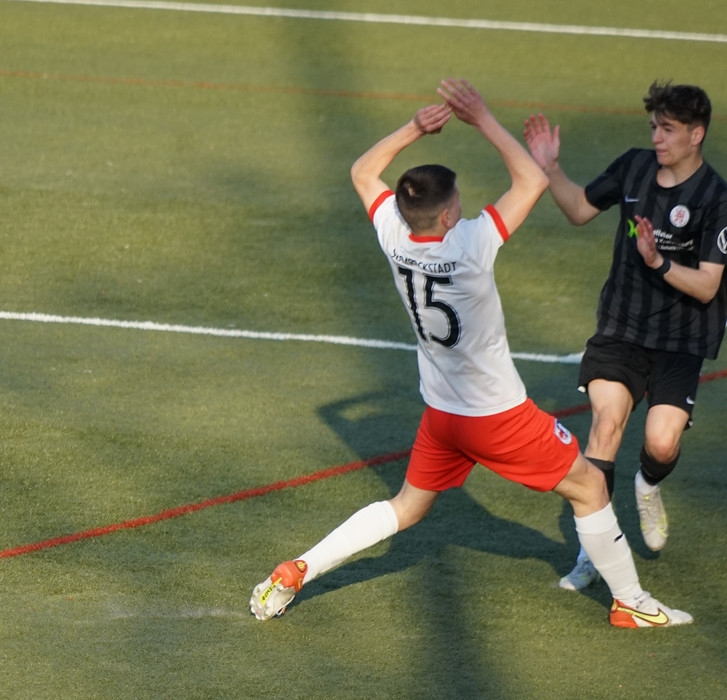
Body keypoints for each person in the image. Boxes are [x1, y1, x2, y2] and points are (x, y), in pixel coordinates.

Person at [249, 78, 692, 628]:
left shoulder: (394, 235)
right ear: (445, 217)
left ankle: (299, 568)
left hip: (443, 415)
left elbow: (363, 171)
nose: (463, 206)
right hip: (497, 416)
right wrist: (481, 117)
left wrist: (414, 127)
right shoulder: (471, 243)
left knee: (406, 507)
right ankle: (632, 604)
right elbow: (531, 179)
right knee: (590, 485)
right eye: (457, 201)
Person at [522, 80, 727, 590]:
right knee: (606, 426)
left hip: (681, 339)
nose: (657, 138)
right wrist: (550, 169)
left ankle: (647, 485)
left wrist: (658, 261)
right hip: (622, 328)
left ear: (696, 134)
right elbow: (579, 209)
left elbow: (708, 285)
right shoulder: (634, 167)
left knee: (660, 444)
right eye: (654, 127)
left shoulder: (716, 196)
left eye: (668, 129)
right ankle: (592, 553)